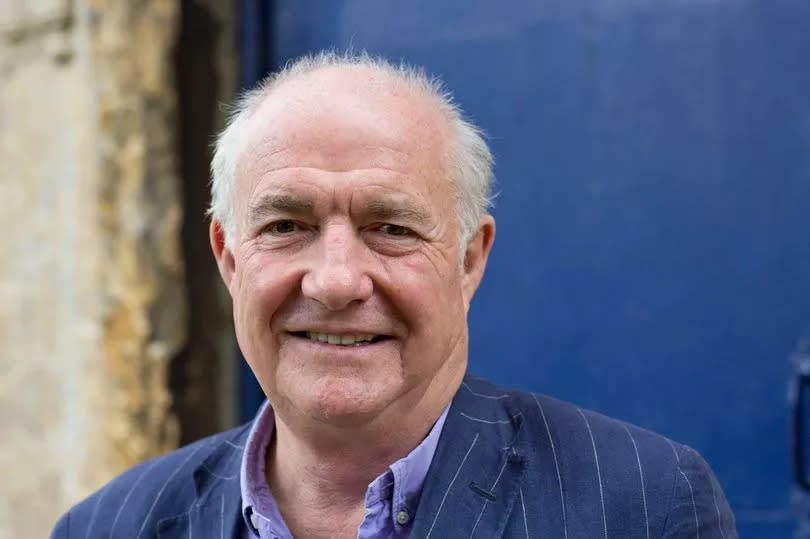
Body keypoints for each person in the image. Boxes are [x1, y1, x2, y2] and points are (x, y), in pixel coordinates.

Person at [52, 51, 737, 538]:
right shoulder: (109, 525)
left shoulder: (645, 506)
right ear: (229, 258)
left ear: (469, 260)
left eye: (391, 227)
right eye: (287, 225)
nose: (337, 280)